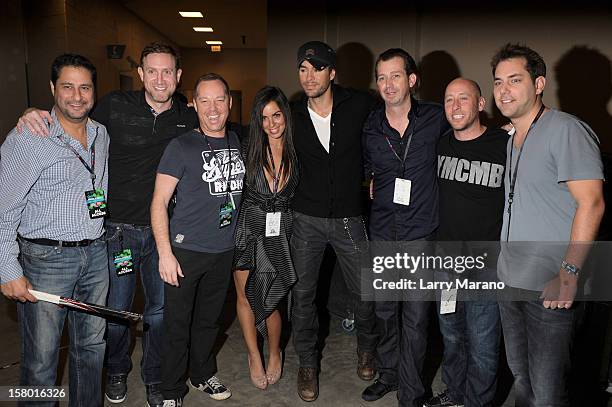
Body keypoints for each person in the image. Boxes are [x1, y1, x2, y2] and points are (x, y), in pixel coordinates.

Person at [16, 42, 199, 407]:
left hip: (162, 234)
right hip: (116, 233)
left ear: (179, 77)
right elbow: (71, 112)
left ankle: (154, 377)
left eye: (168, 72)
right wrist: (29, 112)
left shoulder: (188, 117)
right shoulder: (115, 105)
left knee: (159, 313)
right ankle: (116, 370)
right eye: (153, 71)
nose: (160, 79)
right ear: (142, 74)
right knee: (114, 312)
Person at [492, 43, 605, 406]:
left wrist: (569, 274)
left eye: (514, 80)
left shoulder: (567, 130)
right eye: (497, 82)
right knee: (522, 380)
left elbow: (592, 203)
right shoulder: (513, 138)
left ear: (538, 84)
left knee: (547, 394)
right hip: (511, 281)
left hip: (550, 288)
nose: (503, 91)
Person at [0, 54, 109, 406]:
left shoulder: (100, 134)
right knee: (41, 360)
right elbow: (4, 207)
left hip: (95, 255)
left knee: (91, 349)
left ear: (94, 91)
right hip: (46, 260)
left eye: (84, 87)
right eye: (67, 86)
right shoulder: (29, 138)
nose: (76, 96)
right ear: (52, 88)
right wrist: (7, 269)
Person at [290, 40, 378, 402]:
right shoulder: (292, 111)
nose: (309, 76)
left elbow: (389, 128)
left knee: (365, 291)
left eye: (317, 68)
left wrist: (375, 173)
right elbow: (261, 133)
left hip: (349, 217)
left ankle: (367, 349)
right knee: (303, 295)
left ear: (332, 72)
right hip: (305, 219)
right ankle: (307, 365)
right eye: (303, 69)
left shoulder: (359, 104)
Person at [361, 48, 450, 407]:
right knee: (384, 311)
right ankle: (389, 374)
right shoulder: (370, 125)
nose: (387, 84)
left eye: (395, 75)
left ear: (411, 80)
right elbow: (365, 169)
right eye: (381, 77)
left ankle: (411, 393)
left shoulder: (435, 118)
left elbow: (470, 132)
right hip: (382, 229)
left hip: (420, 233)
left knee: (414, 318)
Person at [151, 73, 243, 406]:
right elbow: (159, 202)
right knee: (177, 326)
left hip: (224, 251)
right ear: (194, 104)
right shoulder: (181, 146)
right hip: (186, 251)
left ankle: (202, 375)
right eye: (204, 100)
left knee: (209, 322)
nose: (213, 108)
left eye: (220, 99)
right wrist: (165, 253)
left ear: (230, 103)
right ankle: (172, 390)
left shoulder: (239, 141)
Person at [423, 78, 508, 407]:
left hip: (487, 267)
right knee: (452, 337)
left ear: (481, 104)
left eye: (463, 99)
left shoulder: (506, 144)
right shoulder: (440, 144)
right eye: (448, 100)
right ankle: (456, 395)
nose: (455, 107)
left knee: (484, 346)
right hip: (446, 264)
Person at [233, 86, 299, 390]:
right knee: (246, 295)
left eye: (276, 115)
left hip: (280, 232)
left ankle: (274, 350)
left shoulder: (299, 150)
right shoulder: (247, 148)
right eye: (264, 118)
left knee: (272, 298)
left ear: (285, 114)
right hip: (249, 228)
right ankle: (253, 355)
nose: (271, 123)